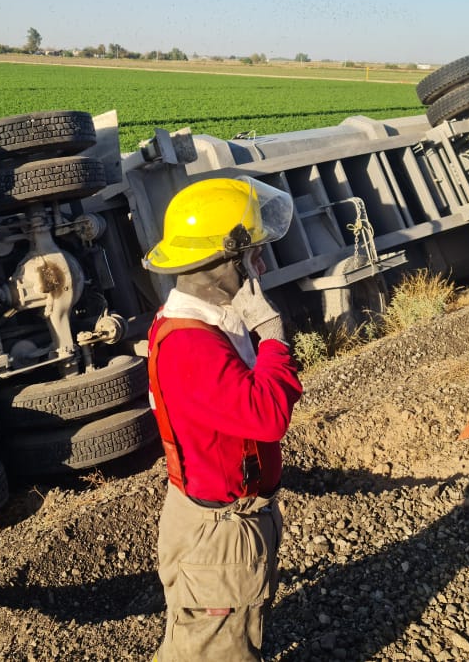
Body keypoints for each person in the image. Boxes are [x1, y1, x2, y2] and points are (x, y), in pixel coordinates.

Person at [142, 177, 303, 661]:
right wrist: (273, 337)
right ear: (221, 264)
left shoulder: (207, 321)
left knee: (224, 637)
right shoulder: (191, 345)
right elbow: (268, 416)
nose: (260, 266)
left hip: (228, 523)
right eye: (252, 256)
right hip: (217, 538)